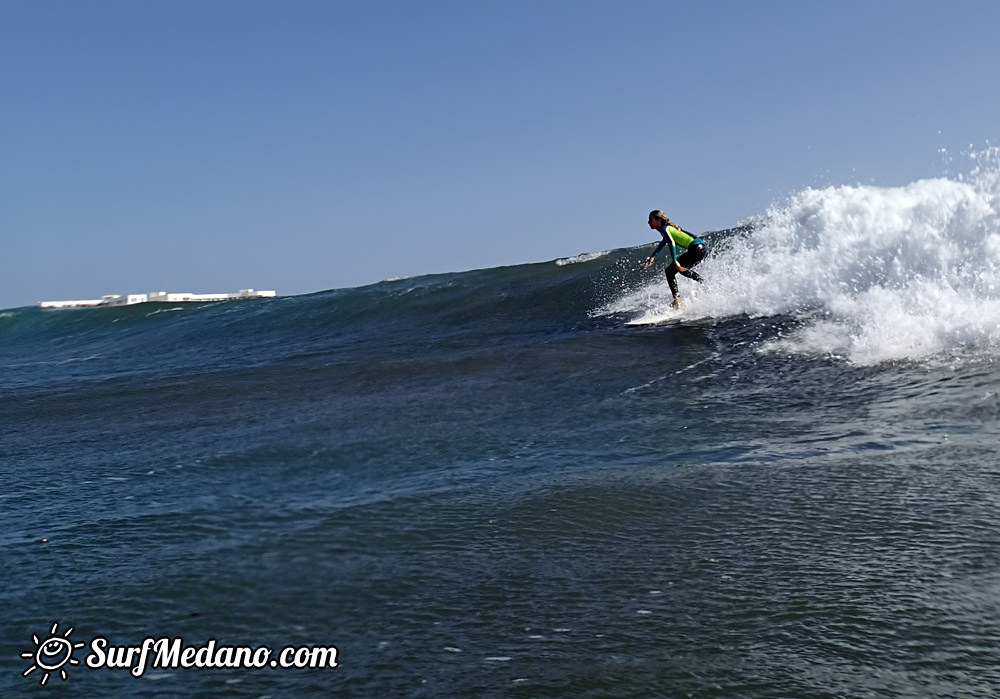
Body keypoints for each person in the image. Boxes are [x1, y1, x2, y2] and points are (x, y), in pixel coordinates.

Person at [642, 209, 707, 308]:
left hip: (696, 248)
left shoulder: (665, 229)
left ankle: (677, 300)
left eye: (650, 220)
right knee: (680, 270)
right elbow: (664, 242)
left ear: (658, 220)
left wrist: (675, 261)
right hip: (701, 248)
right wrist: (653, 257)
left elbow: (671, 243)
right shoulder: (666, 229)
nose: (648, 222)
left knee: (670, 271)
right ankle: (704, 283)